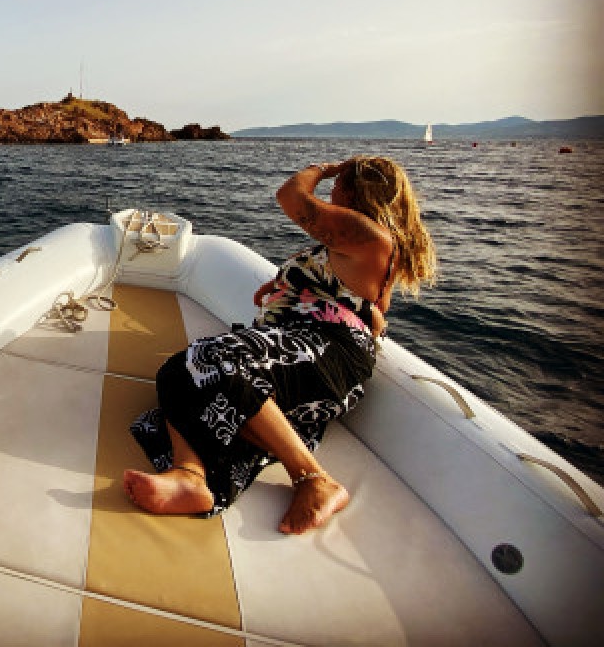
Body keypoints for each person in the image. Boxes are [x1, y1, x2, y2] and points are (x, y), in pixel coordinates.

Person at [125, 156, 437, 534]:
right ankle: (190, 476)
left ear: (355, 190)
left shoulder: (365, 232)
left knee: (212, 362)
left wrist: (325, 168)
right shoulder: (358, 242)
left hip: (325, 350)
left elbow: (290, 195)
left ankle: (314, 479)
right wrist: (284, 289)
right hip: (300, 342)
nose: (332, 191)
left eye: (339, 186)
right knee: (178, 371)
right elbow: (361, 303)